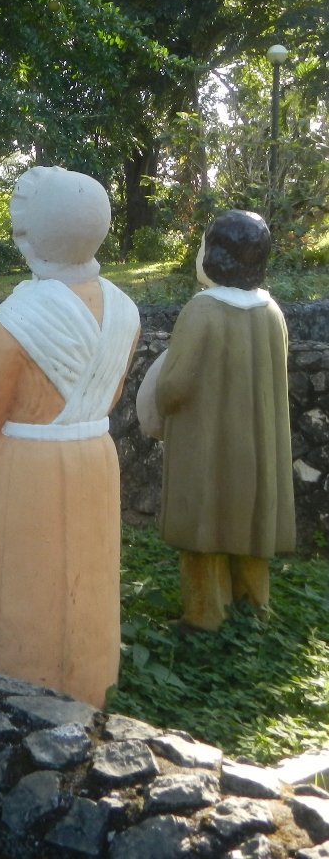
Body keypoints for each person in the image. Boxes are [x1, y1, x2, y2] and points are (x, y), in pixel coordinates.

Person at [0, 167, 140, 707]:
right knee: (89, 577)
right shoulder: (125, 311)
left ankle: (14, 689)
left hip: (29, 466)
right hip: (93, 456)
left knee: (24, 583)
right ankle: (90, 682)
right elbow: (110, 392)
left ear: (29, 238)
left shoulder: (17, 318)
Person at [137, 209, 294, 632]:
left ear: (218, 255)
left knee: (203, 533)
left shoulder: (203, 311)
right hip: (258, 452)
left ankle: (206, 616)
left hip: (207, 448)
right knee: (251, 532)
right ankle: (254, 610)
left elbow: (174, 386)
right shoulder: (272, 312)